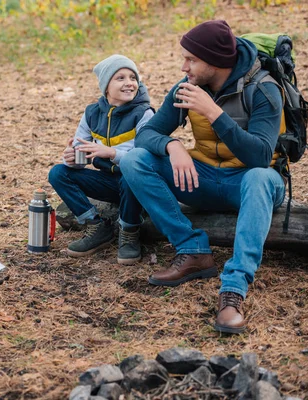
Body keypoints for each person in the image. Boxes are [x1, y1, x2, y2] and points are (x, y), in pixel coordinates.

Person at [120, 20, 286, 333]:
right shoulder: (186, 87)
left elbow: (261, 157)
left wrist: (214, 113)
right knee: (136, 160)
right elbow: (146, 135)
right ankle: (192, 250)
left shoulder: (264, 89)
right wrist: (172, 145)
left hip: (253, 183)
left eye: (191, 59)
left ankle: (233, 289)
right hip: (206, 178)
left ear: (215, 61)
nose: (184, 66)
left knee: (259, 178)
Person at [48, 54, 155, 265]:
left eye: (133, 77)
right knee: (58, 172)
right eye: (120, 78)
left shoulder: (143, 113)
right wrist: (72, 158)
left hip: (137, 183)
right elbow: (82, 152)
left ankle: (129, 231)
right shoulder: (92, 113)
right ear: (106, 85)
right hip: (108, 181)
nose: (129, 83)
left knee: (130, 178)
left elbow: (146, 161)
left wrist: (112, 153)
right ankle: (96, 226)